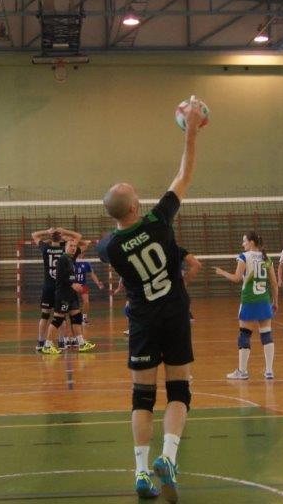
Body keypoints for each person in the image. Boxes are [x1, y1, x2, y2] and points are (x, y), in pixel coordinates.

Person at [96, 96, 206, 502]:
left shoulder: (109, 248)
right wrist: (190, 128)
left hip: (142, 320)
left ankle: (142, 472)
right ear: (136, 205)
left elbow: (107, 241)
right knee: (179, 391)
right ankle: (169, 456)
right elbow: (185, 173)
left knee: (142, 396)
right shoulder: (160, 220)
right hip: (174, 314)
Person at [215, 231, 278, 380]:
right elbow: (274, 283)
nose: (242, 244)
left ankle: (242, 371)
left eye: (244, 241)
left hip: (249, 300)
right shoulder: (266, 258)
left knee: (244, 335)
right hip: (264, 301)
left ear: (251, 242)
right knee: (266, 335)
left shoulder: (244, 256)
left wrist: (222, 272)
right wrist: (275, 302)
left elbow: (236, 278)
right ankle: (269, 371)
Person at [31, 226, 82, 352]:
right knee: (61, 316)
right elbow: (78, 236)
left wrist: (47, 231)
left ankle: (40, 342)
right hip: (63, 287)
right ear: (61, 238)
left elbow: (34, 235)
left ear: (50, 237)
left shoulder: (45, 248)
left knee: (45, 315)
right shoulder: (65, 250)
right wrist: (64, 231)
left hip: (48, 286)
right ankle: (61, 342)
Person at [41, 237, 96, 354]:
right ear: (65, 247)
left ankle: (81, 343)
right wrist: (73, 284)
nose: (73, 248)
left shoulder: (70, 259)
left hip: (71, 294)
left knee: (77, 317)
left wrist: (74, 285)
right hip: (63, 295)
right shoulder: (63, 259)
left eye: (74, 246)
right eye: (70, 246)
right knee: (58, 319)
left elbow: (84, 244)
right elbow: (63, 276)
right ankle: (47, 345)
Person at [74, 245, 104, 326]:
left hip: (83, 285)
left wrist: (98, 283)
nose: (81, 254)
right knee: (71, 303)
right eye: (80, 252)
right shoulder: (72, 261)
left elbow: (92, 274)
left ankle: (84, 318)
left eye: (83, 253)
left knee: (86, 301)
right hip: (73, 285)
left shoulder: (86, 262)